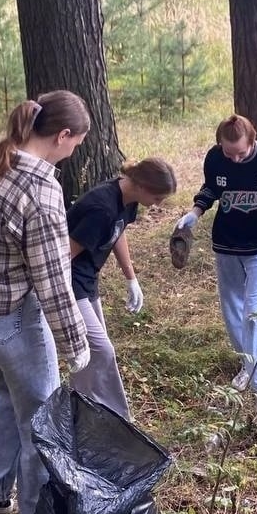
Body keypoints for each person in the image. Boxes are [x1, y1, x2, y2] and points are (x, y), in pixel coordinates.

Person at [0, 92, 92, 514]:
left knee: (7, 397)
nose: (74, 152)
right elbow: (52, 281)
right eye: (76, 143)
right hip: (8, 325)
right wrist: (76, 345)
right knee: (41, 420)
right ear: (62, 135)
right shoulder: (40, 189)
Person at [175, 114, 257, 422]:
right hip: (227, 246)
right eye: (228, 153)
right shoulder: (215, 158)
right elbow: (210, 189)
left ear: (253, 141)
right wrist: (193, 214)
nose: (234, 159)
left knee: (255, 314)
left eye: (241, 153)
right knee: (233, 310)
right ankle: (247, 366)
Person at [66, 157, 178, 420]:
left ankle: (88, 412)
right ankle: (110, 419)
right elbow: (63, 255)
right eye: (158, 197)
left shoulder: (125, 199)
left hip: (87, 280)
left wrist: (131, 278)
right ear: (141, 185)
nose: (158, 205)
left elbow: (118, 231)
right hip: (69, 282)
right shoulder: (100, 208)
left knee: (92, 353)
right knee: (100, 350)